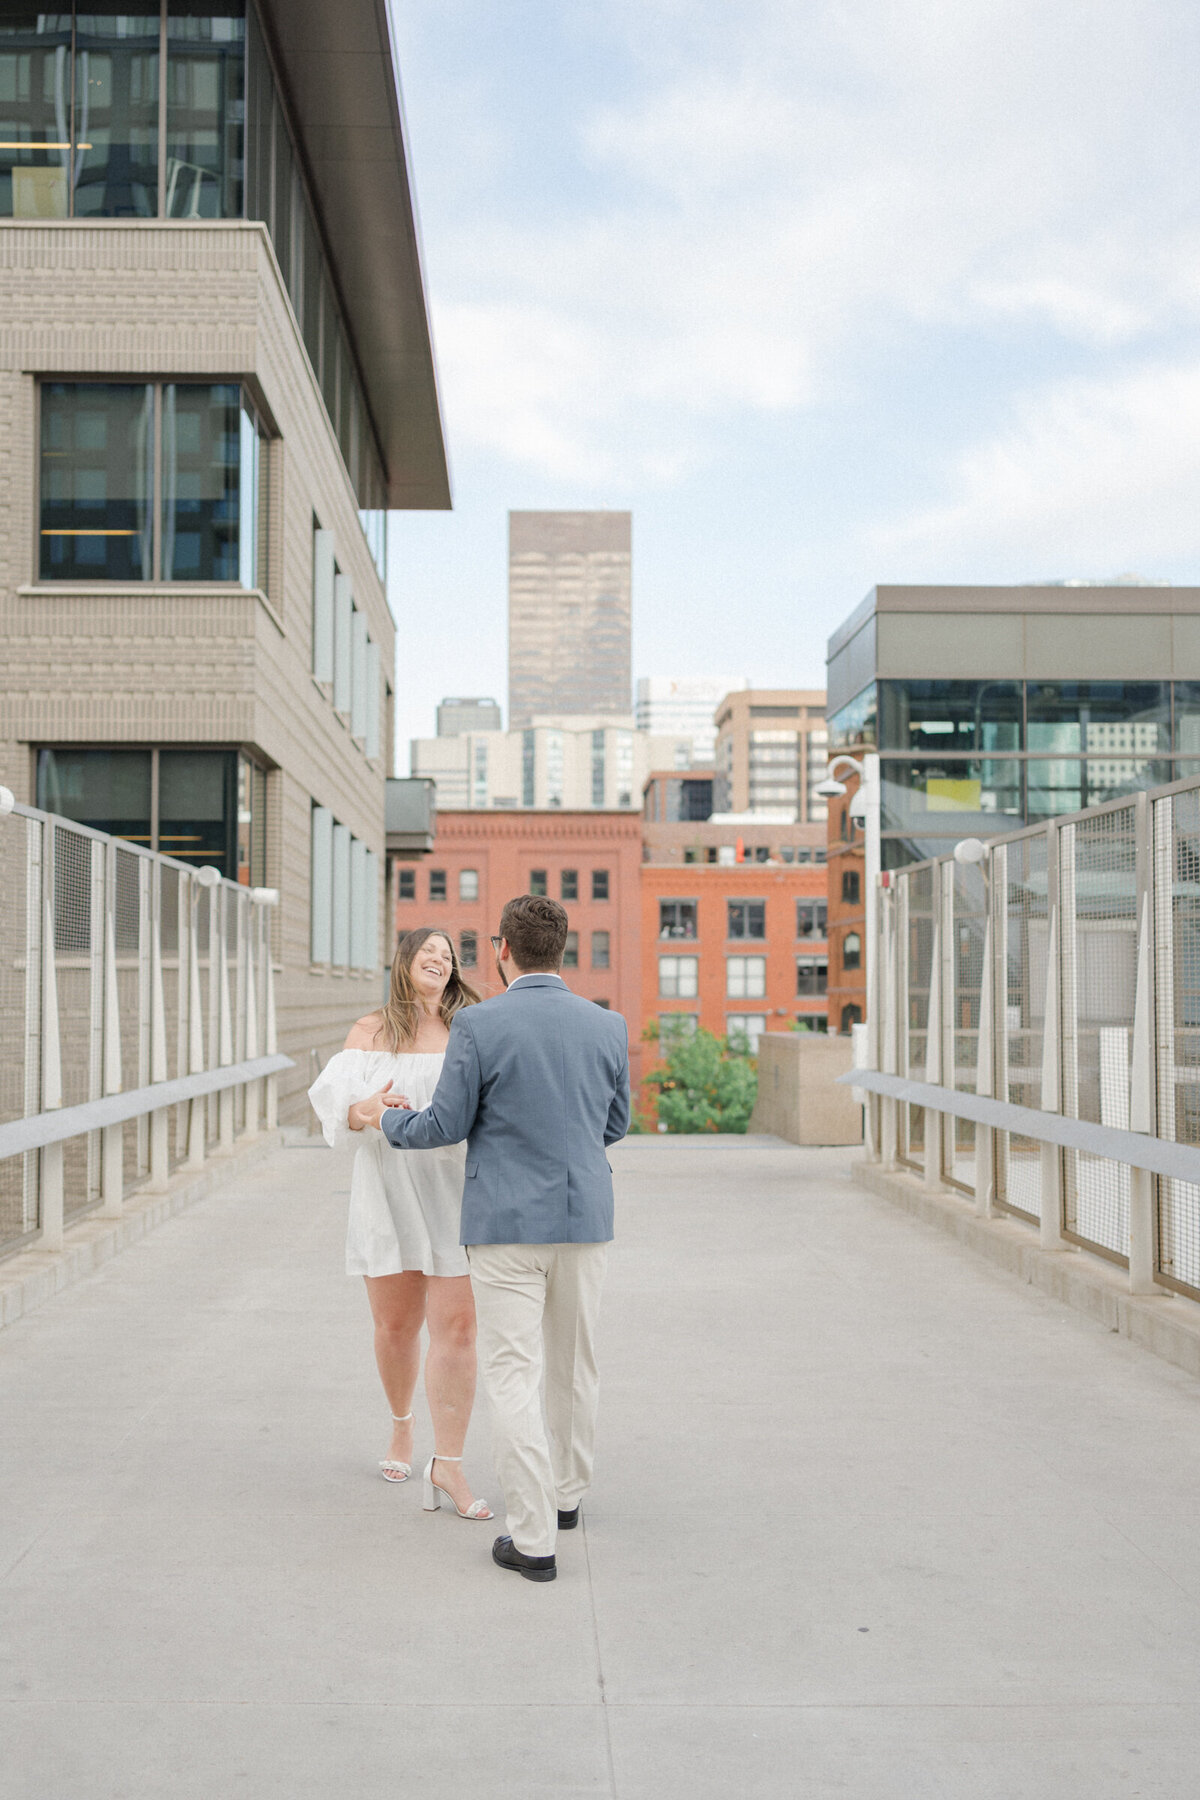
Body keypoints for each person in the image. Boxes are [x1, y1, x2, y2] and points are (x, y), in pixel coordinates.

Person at [354, 894, 630, 1584]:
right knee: (576, 1367)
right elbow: (615, 1123)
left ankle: (534, 1539)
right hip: (585, 1220)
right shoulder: (607, 1024)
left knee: (515, 1374)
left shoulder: (479, 1023)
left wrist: (386, 1123)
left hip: (507, 1225)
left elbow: (444, 1124)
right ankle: (566, 1501)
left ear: (503, 951)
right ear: (559, 951)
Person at [306, 928, 492, 1522]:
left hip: (456, 1194)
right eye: (427, 952)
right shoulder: (370, 1032)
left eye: (448, 954)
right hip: (386, 1192)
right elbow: (341, 1111)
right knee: (395, 1326)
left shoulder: (474, 1026)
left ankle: (451, 1461)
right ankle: (401, 1427)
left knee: (459, 1330)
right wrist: (366, 1110)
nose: (439, 959)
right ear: (404, 963)